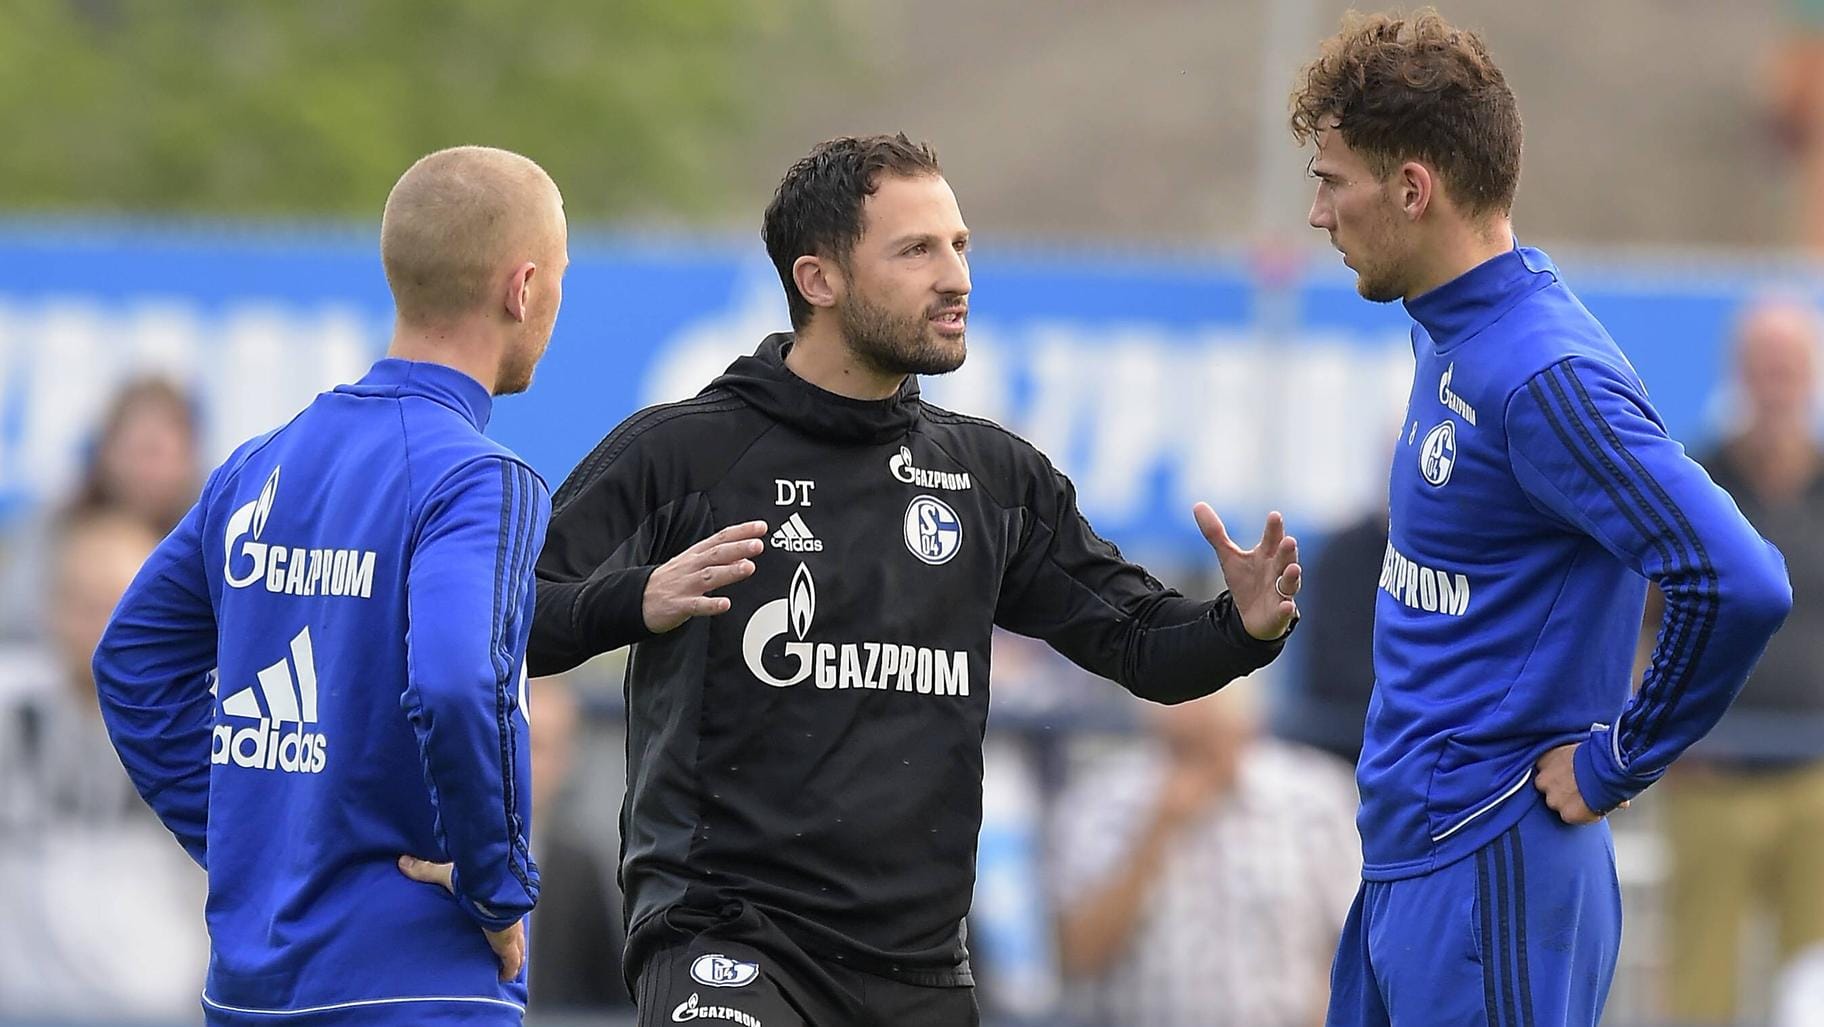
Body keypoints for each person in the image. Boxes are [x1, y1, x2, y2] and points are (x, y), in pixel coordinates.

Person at [529, 133, 1302, 1027]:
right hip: (730, 941)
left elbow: (1139, 643)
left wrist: (1241, 627)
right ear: (818, 280)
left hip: (919, 971)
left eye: (960, 245)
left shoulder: (992, 478)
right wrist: (639, 599)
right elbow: (516, 616)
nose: (957, 277)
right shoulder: (683, 454)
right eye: (917, 250)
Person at [1290, 11, 1793, 1025]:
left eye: (1330, 180)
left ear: (1412, 189)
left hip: (1492, 870)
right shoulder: (1454, 332)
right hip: (1409, 862)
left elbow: (1739, 577)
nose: (1318, 213)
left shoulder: (1543, 371)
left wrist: (1622, 754)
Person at [91, 145, 567, 1025]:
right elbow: (462, 680)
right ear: (523, 287)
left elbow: (130, 664)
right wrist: (498, 885)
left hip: (248, 990)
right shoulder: (479, 479)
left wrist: (262, 838)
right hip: (415, 985)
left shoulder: (260, 462)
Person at [1661, 299, 1824, 1022]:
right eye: (1764, 368)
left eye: (1789, 369)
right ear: (1739, 375)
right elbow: (1639, 620)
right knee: (1701, 989)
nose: (1776, 384)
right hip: (1711, 780)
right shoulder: (1699, 483)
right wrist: (1663, 730)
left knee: (1813, 988)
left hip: (1815, 780)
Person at [1050, 679, 1359, 1027]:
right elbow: (1078, 956)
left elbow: (1352, 949)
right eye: (1184, 745)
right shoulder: (1100, 801)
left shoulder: (1315, 798)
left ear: (1248, 727)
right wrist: (1158, 831)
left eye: (1211, 740)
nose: (1201, 760)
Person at [0, 510, 208, 1018]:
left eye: (116, 603)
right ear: (49, 606)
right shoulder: (11, 704)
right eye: (82, 601)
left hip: (154, 1002)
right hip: (20, 1001)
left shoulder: (210, 725)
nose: (98, 623)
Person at [524, 674, 631, 1014]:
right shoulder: (438, 863)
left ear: (566, 760)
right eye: (515, 742)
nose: (524, 764)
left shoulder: (578, 870)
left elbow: (609, 995)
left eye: (539, 747)